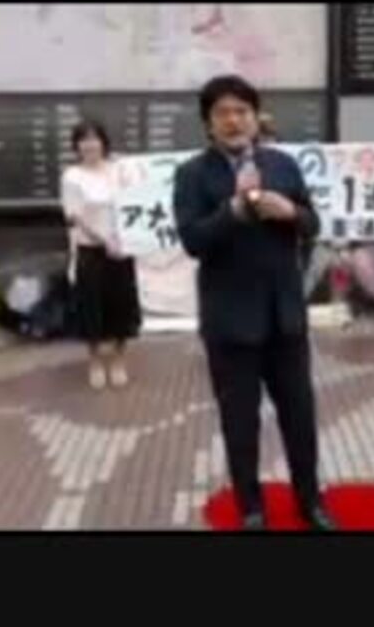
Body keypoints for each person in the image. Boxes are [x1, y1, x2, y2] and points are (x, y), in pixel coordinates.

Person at [173, 75, 334, 531]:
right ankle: (251, 509)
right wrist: (234, 210)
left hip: (285, 319)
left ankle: (310, 502)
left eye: (241, 111)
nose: (233, 120)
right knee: (239, 424)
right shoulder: (192, 174)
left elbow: (313, 223)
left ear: (255, 117)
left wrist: (291, 212)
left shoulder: (283, 165)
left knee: (300, 418)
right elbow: (192, 240)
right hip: (230, 323)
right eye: (222, 113)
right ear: (208, 123)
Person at [61, 120, 142, 390]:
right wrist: (103, 240)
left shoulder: (118, 170)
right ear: (76, 146)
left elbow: (137, 198)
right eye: (83, 140)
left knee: (122, 306)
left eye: (95, 138)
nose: (90, 145)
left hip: (122, 248)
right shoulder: (72, 176)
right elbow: (74, 216)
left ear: (104, 142)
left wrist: (123, 239)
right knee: (92, 308)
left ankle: (118, 359)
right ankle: (95, 361)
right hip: (91, 250)